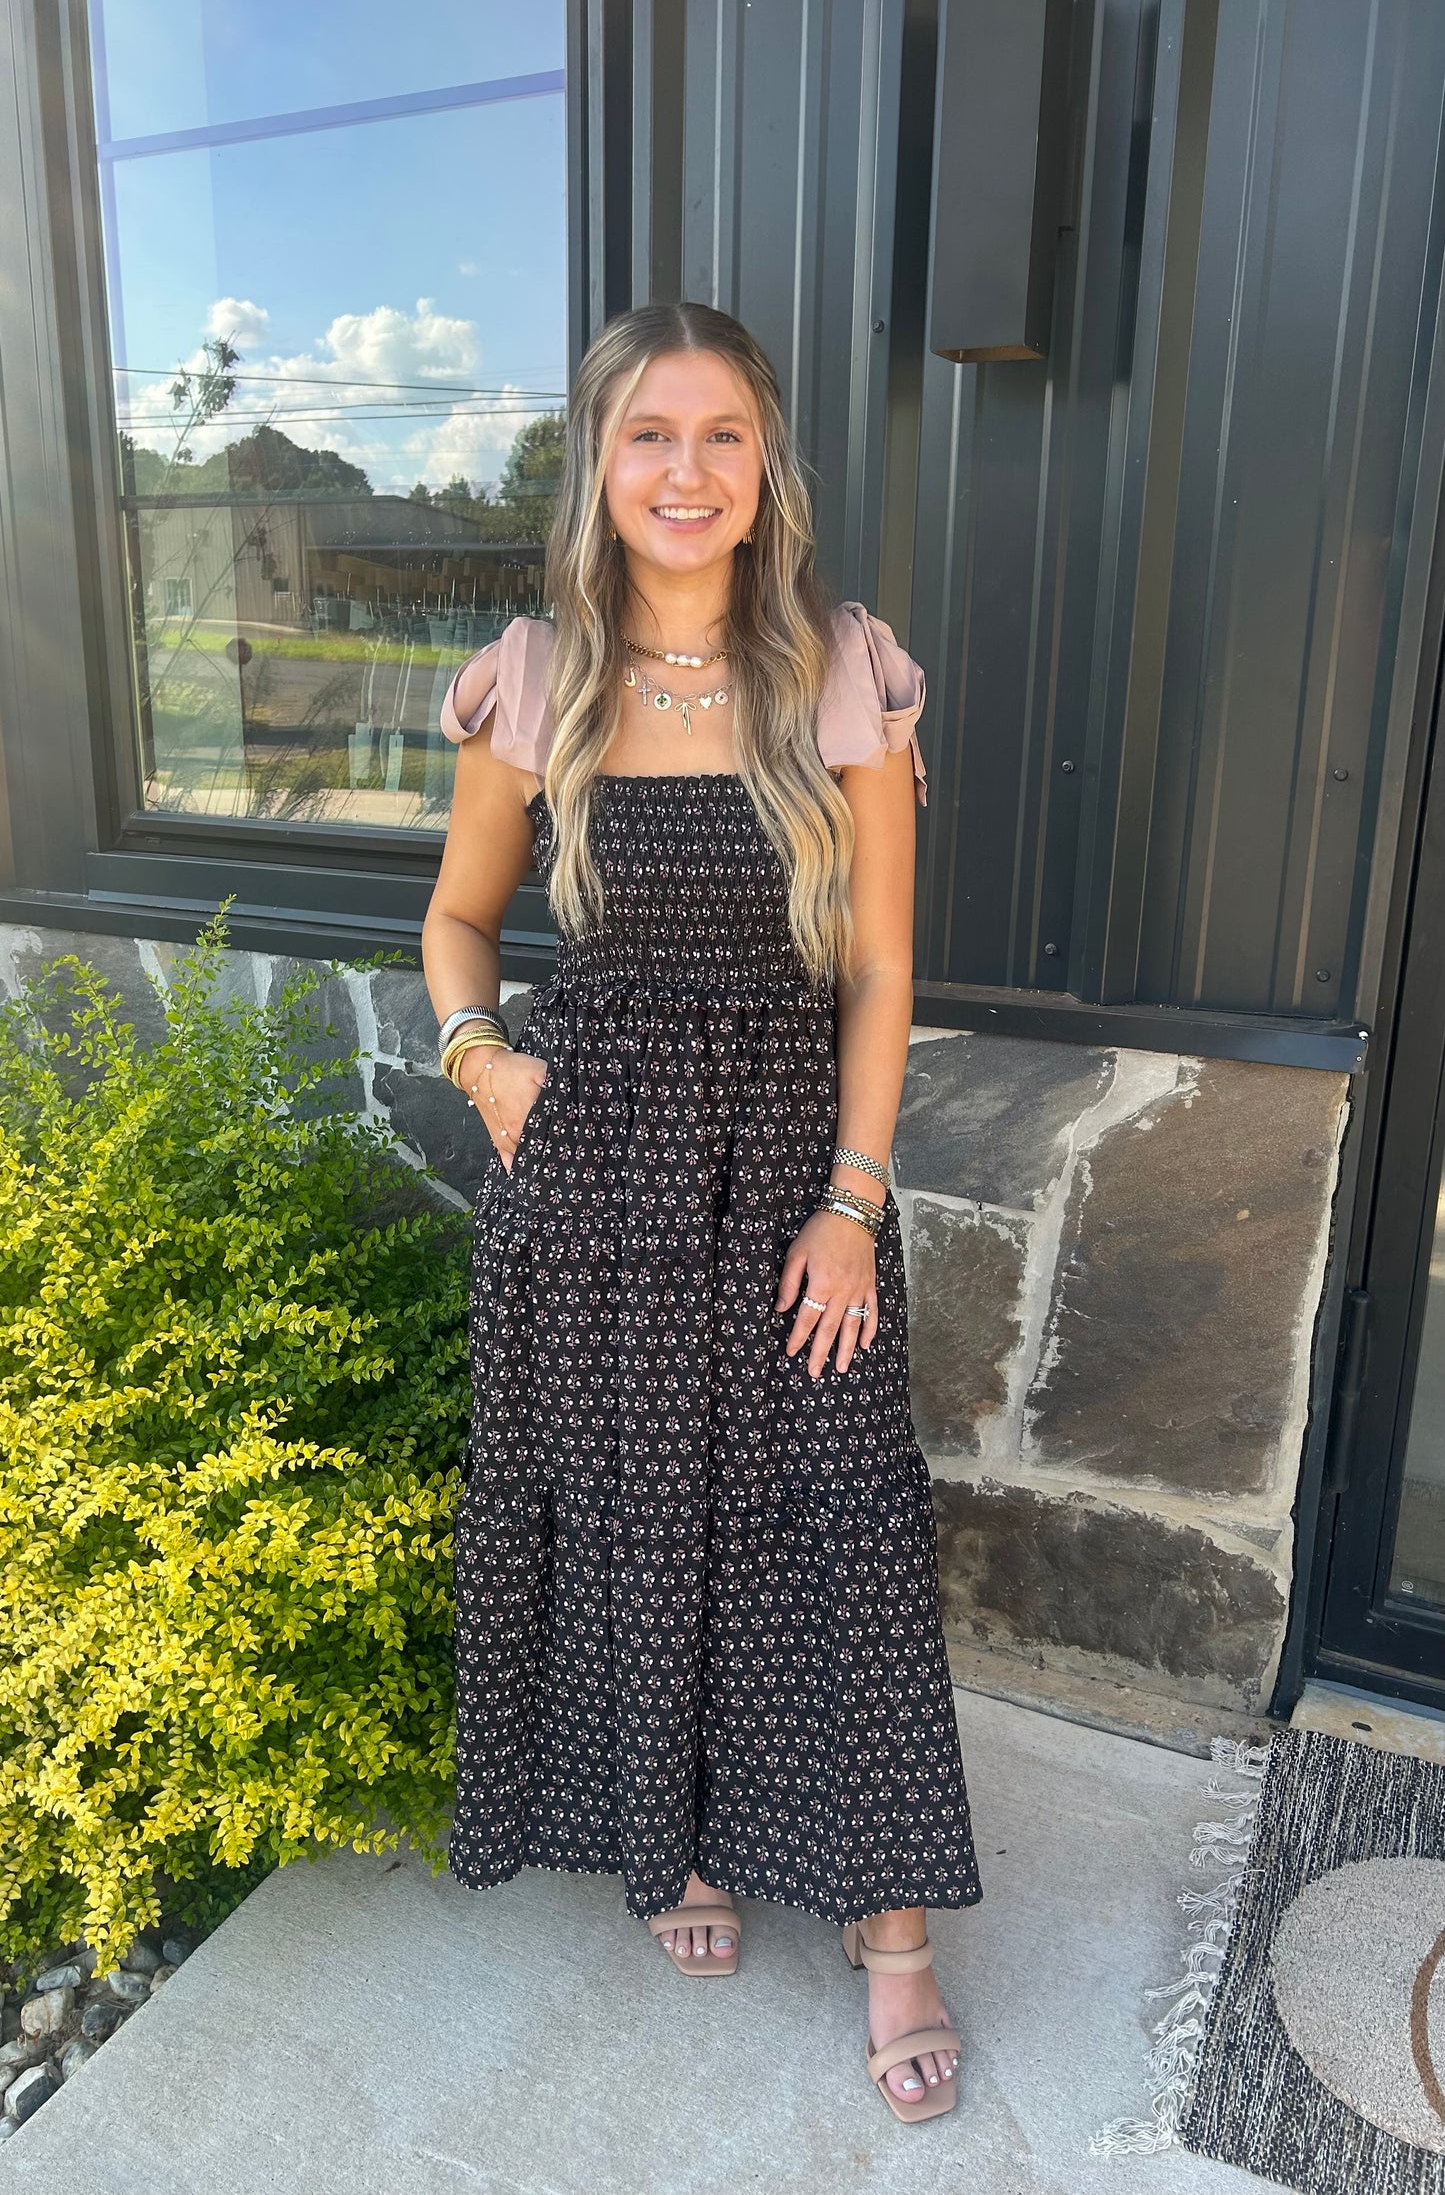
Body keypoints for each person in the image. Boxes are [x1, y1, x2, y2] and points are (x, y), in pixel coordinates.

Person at [421, 300, 981, 2125]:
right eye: (648, 434)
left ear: (766, 465)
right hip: (591, 1164)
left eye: (721, 434)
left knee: (840, 1524)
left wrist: (851, 1201)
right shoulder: (534, 674)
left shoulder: (837, 666)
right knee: (640, 1513)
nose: (685, 471)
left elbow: (882, 968)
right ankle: (677, 1842)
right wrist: (485, 1063)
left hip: (792, 1162)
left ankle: (889, 1931)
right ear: (596, 460)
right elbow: (458, 923)